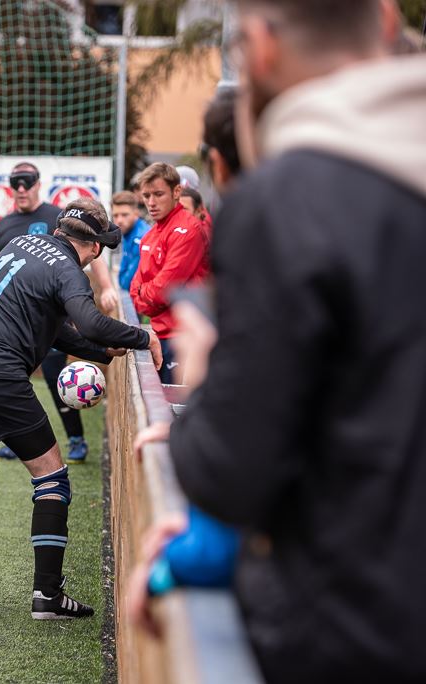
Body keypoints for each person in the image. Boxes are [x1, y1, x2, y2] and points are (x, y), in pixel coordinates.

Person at [132, 0, 426, 681]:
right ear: (386, 21)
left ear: (260, 49)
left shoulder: (292, 200)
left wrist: (203, 382)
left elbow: (232, 473)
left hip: (360, 636)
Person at [0, 198, 162, 618]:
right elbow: (88, 321)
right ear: (92, 247)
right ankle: (48, 596)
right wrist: (142, 337)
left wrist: (102, 352)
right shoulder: (68, 268)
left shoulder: (20, 243)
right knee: (52, 477)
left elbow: (53, 330)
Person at [0, 161, 116, 464]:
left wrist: (108, 286)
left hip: (54, 313)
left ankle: (76, 439)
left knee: (57, 375)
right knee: (13, 376)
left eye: (27, 182)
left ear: (37, 184)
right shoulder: (5, 223)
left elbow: (91, 252)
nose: (21, 189)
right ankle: (13, 437)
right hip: (17, 318)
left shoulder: (54, 217)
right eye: (15, 183)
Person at [128, 163, 210, 384]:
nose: (151, 203)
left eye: (158, 194)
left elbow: (164, 290)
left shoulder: (189, 230)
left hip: (182, 338)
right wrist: (145, 296)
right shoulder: (151, 234)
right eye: (146, 195)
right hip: (158, 334)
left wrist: (145, 295)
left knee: (174, 410)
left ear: (176, 192)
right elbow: (135, 289)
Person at [110, 190, 151, 292]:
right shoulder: (129, 231)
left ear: (136, 213)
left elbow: (128, 282)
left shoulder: (141, 237)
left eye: (124, 215)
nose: (119, 220)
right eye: (115, 215)